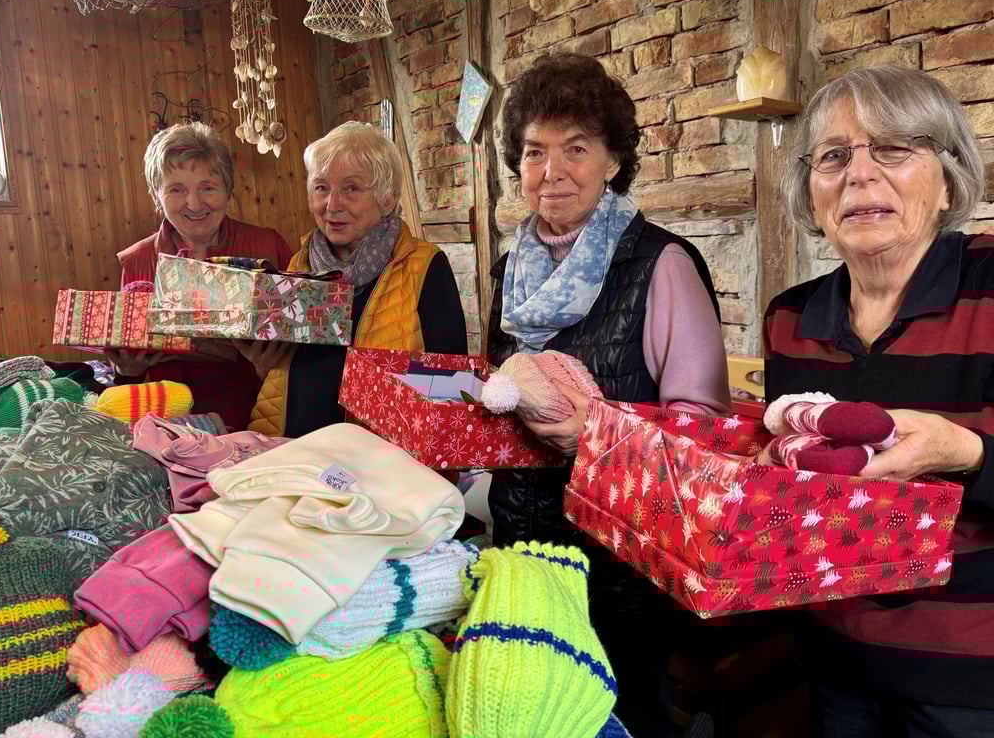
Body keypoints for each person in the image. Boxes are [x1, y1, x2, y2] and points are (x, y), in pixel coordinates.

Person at [487, 54, 731, 736]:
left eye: (576, 149)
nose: (551, 171)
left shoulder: (663, 263)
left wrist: (591, 436)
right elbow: (499, 384)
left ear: (614, 160)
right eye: (534, 152)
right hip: (526, 544)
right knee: (536, 712)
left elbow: (701, 428)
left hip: (620, 557)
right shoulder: (511, 269)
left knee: (627, 716)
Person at [763, 65, 991, 737]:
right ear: (811, 192)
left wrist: (965, 452)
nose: (858, 174)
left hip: (973, 679)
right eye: (833, 156)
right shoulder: (791, 319)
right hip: (836, 660)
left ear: (947, 180)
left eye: (893, 148)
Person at [246, 121, 467, 438]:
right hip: (296, 458)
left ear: (387, 199)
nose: (332, 205)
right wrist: (263, 365)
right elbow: (281, 380)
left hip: (383, 470)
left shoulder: (425, 266)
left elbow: (452, 390)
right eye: (321, 188)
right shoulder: (300, 264)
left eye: (351, 188)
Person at [115, 122, 293, 431]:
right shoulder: (138, 262)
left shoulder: (269, 248)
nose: (194, 204)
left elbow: (304, 361)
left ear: (228, 191)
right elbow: (128, 381)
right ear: (157, 196)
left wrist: (269, 368)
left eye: (208, 187)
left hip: (257, 426)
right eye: (177, 189)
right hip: (168, 432)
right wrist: (125, 368)